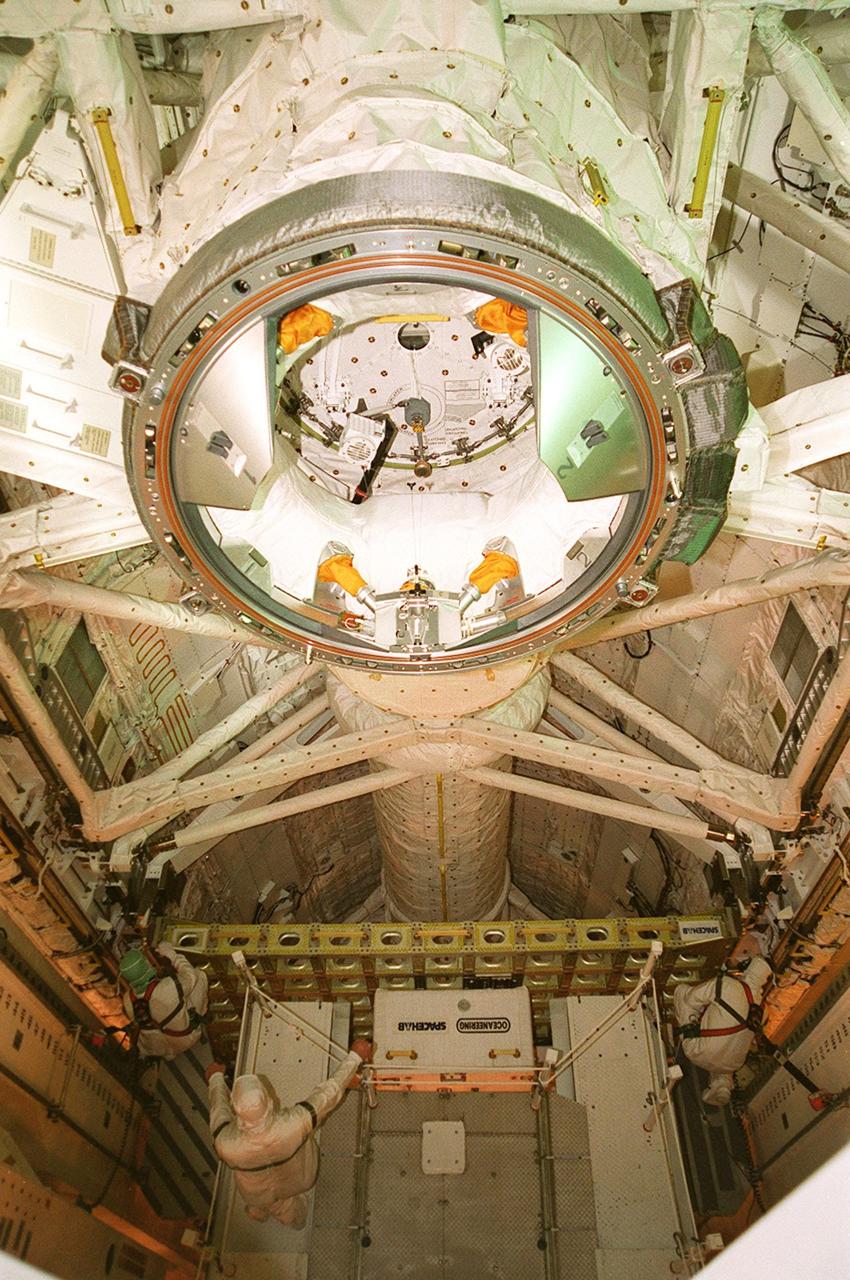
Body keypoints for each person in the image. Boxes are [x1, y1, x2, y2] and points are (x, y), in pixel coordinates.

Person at [206, 1038, 373, 1229]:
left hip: (255, 1194)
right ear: (269, 1102)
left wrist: (215, 1078)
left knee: (262, 1199)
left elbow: (218, 1110)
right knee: (294, 1216)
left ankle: (260, 1209)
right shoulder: (296, 1123)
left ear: (236, 1109)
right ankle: (289, 1214)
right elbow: (329, 1093)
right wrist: (355, 1056)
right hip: (299, 1179)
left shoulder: (225, 1145)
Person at [673, 957, 772, 1106]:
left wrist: (701, 1017)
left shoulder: (728, 985)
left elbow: (692, 999)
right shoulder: (763, 1011)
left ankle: (723, 1081)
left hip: (698, 1051)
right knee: (725, 1053)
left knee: (682, 992)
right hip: (731, 1063)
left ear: (746, 968)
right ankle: (723, 1086)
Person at [119, 942, 209, 1060]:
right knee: (199, 976)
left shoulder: (127, 1000)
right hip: (186, 1039)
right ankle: (202, 1014)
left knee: (174, 1003)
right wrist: (172, 955)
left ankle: (168, 1054)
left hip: (154, 1048)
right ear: (146, 964)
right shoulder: (169, 987)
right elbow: (190, 975)